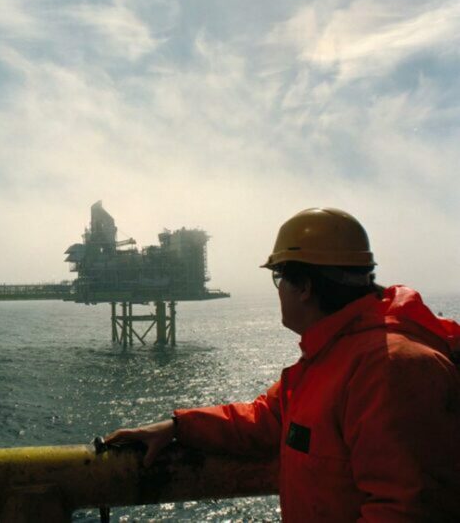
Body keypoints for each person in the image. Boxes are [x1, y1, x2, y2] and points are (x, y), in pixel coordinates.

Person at [105, 207, 460, 522]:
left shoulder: (391, 368)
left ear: (303, 286)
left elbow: (408, 509)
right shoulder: (333, 355)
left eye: (279, 278)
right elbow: (268, 418)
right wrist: (177, 427)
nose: (278, 290)